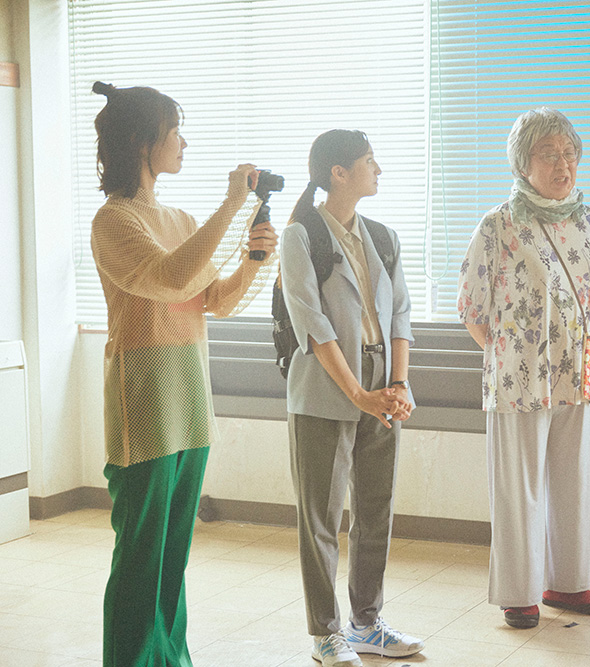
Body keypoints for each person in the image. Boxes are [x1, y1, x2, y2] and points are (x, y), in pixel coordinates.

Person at [89, 81, 277, 666]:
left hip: (189, 397)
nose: (185, 143)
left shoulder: (180, 217)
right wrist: (232, 204)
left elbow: (212, 298)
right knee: (142, 555)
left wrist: (252, 261)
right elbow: (170, 278)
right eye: (176, 132)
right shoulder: (113, 221)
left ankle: (172, 660)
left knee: (174, 558)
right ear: (145, 141)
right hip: (143, 402)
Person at [457, 107, 590, 630]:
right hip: (518, 373)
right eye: (549, 154)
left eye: (569, 153)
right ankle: (519, 593)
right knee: (518, 483)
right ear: (523, 164)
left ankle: (568, 583)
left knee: (574, 477)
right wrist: (507, 354)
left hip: (578, 367)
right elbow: (472, 306)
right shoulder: (500, 224)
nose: (563, 163)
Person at [279, 129, 422, 667]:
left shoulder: (382, 237)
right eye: (368, 161)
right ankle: (325, 632)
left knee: (375, 509)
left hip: (383, 384)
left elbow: (401, 314)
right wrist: (359, 393)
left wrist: (398, 386)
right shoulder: (301, 237)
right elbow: (312, 327)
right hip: (325, 387)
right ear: (338, 173)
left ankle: (367, 623)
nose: (378, 168)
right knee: (320, 516)